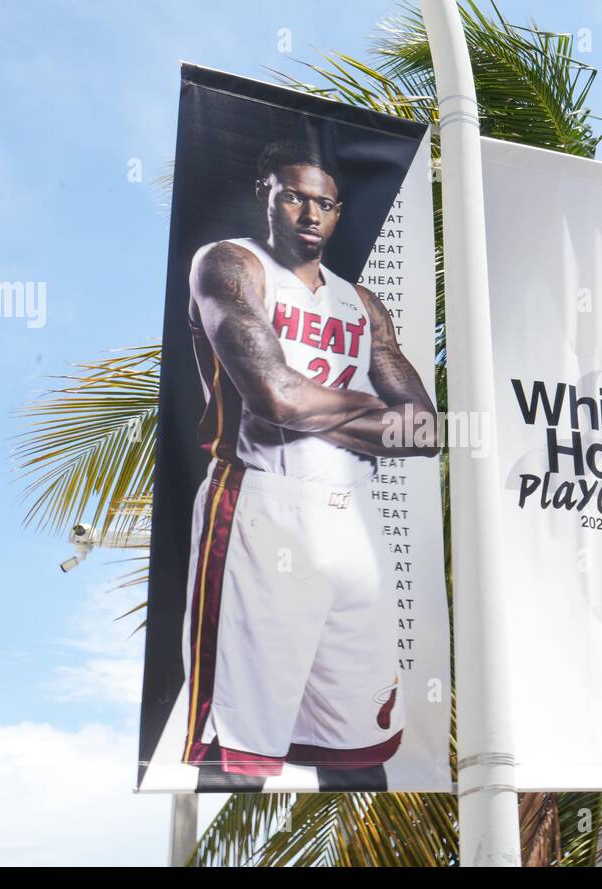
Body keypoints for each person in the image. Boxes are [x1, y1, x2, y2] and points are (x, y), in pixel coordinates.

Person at [180, 138, 437, 791]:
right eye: (294, 196)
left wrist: (315, 409)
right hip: (264, 509)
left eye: (324, 203)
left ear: (339, 211)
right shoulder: (232, 266)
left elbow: (425, 428)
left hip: (355, 521)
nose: (309, 215)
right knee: (238, 750)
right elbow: (272, 396)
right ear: (265, 192)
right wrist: (363, 413)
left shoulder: (361, 304)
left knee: (359, 747)